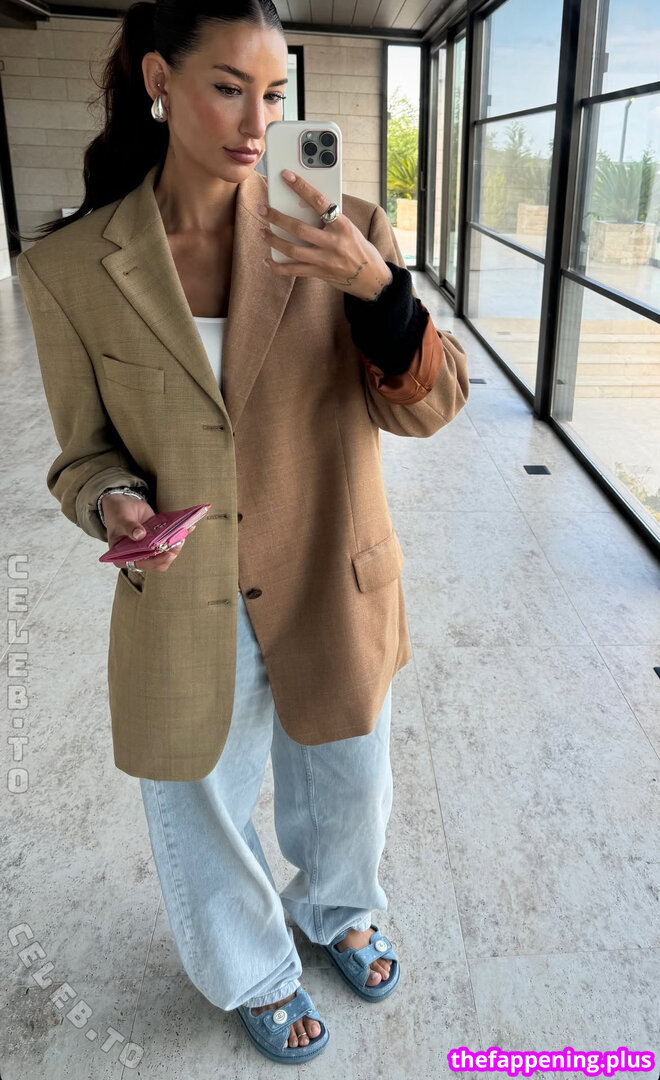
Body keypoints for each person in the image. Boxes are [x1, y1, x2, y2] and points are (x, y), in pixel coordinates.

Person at [14, 0, 469, 1065]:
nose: (258, 123)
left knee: (348, 776)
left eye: (273, 95)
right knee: (202, 801)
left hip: (330, 563)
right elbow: (83, 454)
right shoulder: (71, 269)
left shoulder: (341, 226)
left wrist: (376, 290)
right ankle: (255, 968)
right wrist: (112, 500)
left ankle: (340, 909)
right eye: (228, 88)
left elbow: (433, 405)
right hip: (185, 587)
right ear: (159, 81)